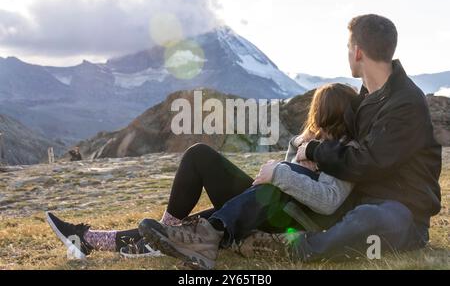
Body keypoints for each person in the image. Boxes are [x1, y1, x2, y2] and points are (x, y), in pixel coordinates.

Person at [137, 14, 442, 269]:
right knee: (267, 189)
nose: (347, 52)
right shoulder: (366, 99)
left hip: (403, 211)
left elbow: (368, 163)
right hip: (353, 204)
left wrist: (312, 151)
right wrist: (303, 147)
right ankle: (189, 233)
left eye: (348, 46)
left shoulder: (404, 103)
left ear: (358, 51)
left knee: (366, 217)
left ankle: (293, 248)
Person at [45, 83, 359, 263]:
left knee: (223, 214)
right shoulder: (304, 142)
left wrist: (280, 173)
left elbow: (328, 201)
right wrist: (289, 164)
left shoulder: (348, 152)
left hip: (292, 219)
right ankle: (107, 237)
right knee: (199, 155)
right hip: (265, 205)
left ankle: (157, 238)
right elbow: (286, 175)